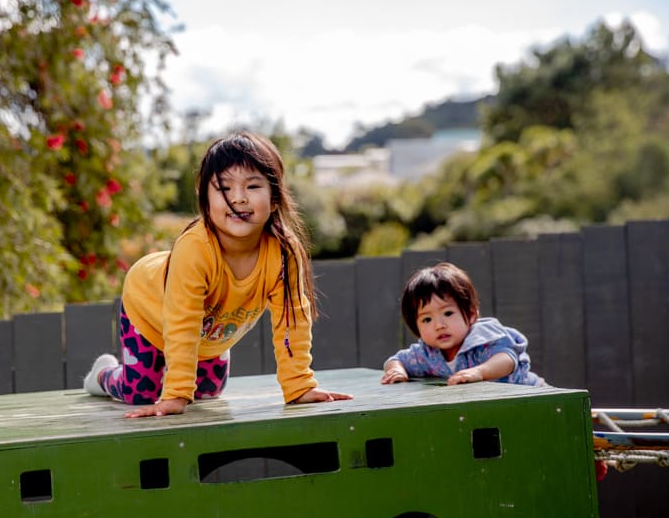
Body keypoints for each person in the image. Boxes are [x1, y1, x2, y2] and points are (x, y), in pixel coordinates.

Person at [85, 131, 353, 417]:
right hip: (149, 306)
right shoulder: (194, 249)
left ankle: (174, 376)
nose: (238, 199)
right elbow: (182, 322)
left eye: (252, 186)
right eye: (224, 188)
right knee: (141, 393)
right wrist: (175, 394)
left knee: (208, 392)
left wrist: (299, 386)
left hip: (208, 333)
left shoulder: (284, 252)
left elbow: (292, 322)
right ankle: (104, 375)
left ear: (275, 198)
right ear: (205, 198)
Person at [381, 262, 545, 386]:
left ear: (472, 314)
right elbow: (396, 359)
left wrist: (480, 371)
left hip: (533, 395)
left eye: (448, 313)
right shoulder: (426, 354)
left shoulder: (481, 337)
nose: (439, 325)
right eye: (427, 319)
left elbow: (507, 359)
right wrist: (396, 370)